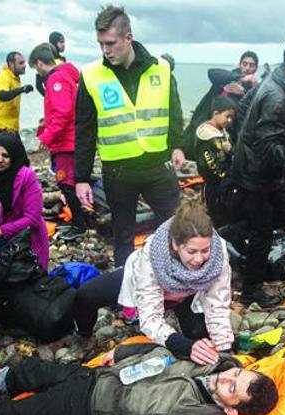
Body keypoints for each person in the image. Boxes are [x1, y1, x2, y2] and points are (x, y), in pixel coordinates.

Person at [0, 341, 279, 415]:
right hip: (93, 377)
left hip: (84, 409)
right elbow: (165, 354)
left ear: (230, 409)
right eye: (236, 373)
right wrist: (224, 362)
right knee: (33, 370)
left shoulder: (201, 413)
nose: (228, 376)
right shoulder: (211, 372)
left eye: (232, 386)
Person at [75, 5, 186, 267]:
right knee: (122, 234)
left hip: (158, 165)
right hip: (117, 170)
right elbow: (84, 128)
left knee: (172, 225)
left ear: (128, 37)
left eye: (111, 43)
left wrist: (178, 145)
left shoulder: (161, 68)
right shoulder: (91, 75)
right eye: (101, 44)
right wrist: (81, 178)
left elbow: (174, 111)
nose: (105, 50)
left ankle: (169, 277)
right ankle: (126, 290)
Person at [74, 201, 235, 363]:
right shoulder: (153, 252)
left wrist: (224, 349)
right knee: (85, 296)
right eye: (191, 251)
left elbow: (218, 305)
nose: (199, 259)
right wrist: (181, 344)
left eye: (205, 250)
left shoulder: (218, 253)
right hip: (146, 282)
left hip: (190, 293)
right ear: (175, 244)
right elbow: (150, 317)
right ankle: (83, 336)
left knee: (200, 338)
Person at [228, 35, 285, 306]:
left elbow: (245, 106)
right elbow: (268, 149)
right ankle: (251, 290)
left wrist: (245, 139)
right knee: (261, 233)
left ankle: (235, 229)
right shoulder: (276, 96)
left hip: (265, 171)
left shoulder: (281, 82)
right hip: (255, 174)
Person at [29, 43, 87, 241]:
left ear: (39, 64)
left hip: (66, 142)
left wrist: (47, 137)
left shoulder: (56, 79)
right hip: (69, 140)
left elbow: (63, 113)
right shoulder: (65, 75)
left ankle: (79, 225)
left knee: (66, 182)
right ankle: (80, 220)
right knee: (70, 181)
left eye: (35, 68)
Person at [0, 132, 49, 270]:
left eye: (5, 156)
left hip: (26, 239)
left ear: (14, 157)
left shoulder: (27, 177)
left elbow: (32, 218)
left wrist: (1, 230)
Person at [183, 51, 260, 148]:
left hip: (229, 135)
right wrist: (241, 78)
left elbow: (252, 112)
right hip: (205, 126)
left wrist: (244, 93)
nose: (247, 68)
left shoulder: (254, 89)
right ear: (239, 65)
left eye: (251, 65)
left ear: (256, 68)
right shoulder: (227, 78)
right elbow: (212, 72)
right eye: (244, 64)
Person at [196, 96, 235, 226]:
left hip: (226, 182)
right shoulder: (206, 134)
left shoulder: (222, 131)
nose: (229, 120)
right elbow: (209, 164)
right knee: (217, 219)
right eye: (227, 116)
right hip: (214, 184)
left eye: (231, 118)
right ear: (216, 113)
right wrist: (225, 178)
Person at [0, 51, 33, 133]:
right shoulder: (4, 77)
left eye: (24, 62)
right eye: (21, 63)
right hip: (2, 125)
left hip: (11, 124)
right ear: (11, 64)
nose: (24, 66)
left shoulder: (14, 76)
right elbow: (2, 95)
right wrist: (21, 89)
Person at [35, 31, 68, 96]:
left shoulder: (62, 59)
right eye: (61, 42)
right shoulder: (44, 59)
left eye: (64, 42)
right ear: (54, 43)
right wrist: (49, 97)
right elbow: (38, 85)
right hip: (53, 98)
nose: (64, 44)